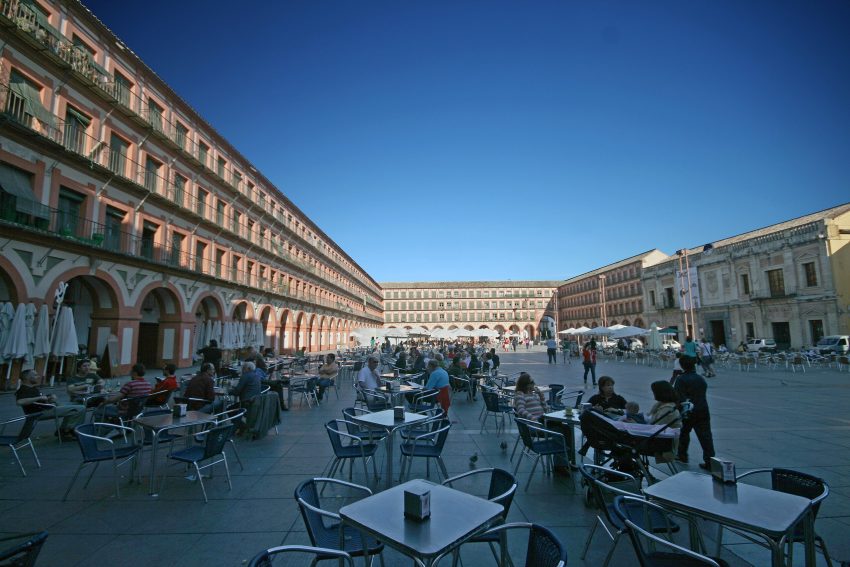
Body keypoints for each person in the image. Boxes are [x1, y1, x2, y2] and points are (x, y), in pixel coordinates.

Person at [16, 369, 85, 440]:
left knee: (74, 406)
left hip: (47, 408)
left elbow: (39, 400)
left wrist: (49, 397)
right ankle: (66, 432)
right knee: (80, 408)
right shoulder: (23, 389)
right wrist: (39, 397)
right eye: (35, 375)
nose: (38, 377)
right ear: (27, 378)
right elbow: (20, 402)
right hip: (40, 413)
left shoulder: (32, 388)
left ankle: (64, 431)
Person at [673, 356, 715, 470]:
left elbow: (679, 397)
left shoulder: (681, 379)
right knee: (706, 436)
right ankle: (710, 461)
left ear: (682, 366)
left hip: (688, 411)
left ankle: (682, 455)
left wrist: (677, 409)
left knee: (684, 433)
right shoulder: (700, 378)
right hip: (702, 409)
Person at [647, 380, 682, 462]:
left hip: (662, 442)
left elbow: (655, 427)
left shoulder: (667, 409)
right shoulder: (663, 405)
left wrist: (636, 424)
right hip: (662, 439)